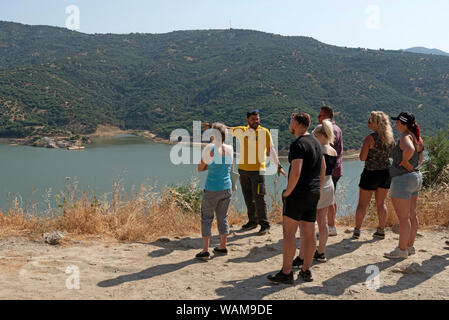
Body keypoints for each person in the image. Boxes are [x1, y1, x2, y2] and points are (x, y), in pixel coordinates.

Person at [204, 109, 286, 236]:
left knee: (259, 198)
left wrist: (278, 166)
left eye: (257, 118)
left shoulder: (265, 132)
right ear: (247, 120)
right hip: (243, 170)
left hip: (258, 171)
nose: (256, 121)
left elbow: (271, 150)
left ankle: (265, 224)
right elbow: (225, 129)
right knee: (248, 197)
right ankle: (252, 221)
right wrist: (211, 126)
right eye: (253, 119)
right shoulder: (242, 130)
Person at [267, 112, 324, 284]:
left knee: (289, 233)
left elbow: (296, 171)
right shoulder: (316, 142)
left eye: (291, 121)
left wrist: (288, 192)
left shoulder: (298, 144)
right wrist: (318, 189)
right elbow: (322, 168)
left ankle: (286, 272)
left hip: (297, 194)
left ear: (298, 124)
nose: (289, 125)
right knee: (309, 233)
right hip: (313, 193)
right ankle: (306, 270)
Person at [384, 112, 424, 259]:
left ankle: (401, 250)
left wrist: (405, 162)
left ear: (404, 124)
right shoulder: (416, 137)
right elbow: (420, 155)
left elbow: (410, 150)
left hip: (402, 179)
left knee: (403, 218)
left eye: (398, 122)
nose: (396, 124)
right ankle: (409, 246)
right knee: (412, 215)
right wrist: (411, 163)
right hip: (415, 177)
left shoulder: (405, 137)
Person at [353, 111, 395, 240]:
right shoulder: (390, 139)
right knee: (381, 203)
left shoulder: (370, 138)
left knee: (362, 204)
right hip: (385, 173)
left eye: (370, 121)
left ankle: (357, 231)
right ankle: (381, 230)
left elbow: (362, 157)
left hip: (370, 173)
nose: (368, 123)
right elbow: (392, 156)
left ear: (376, 123)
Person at [195, 123, 233, 260]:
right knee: (223, 217)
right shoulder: (230, 149)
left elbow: (200, 168)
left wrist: (209, 166)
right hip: (226, 188)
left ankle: (205, 250)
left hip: (212, 188)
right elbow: (225, 167)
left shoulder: (209, 148)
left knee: (207, 218)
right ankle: (223, 246)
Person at [309, 119, 337, 263]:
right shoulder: (333, 150)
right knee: (323, 221)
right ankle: (321, 252)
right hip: (329, 184)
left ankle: (310, 250)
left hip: (318, 185)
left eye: (315, 135)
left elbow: (320, 170)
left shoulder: (318, 150)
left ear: (321, 134)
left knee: (310, 221)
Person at [318, 105, 343, 236]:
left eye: (320, 115)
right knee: (330, 198)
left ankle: (331, 226)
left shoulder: (330, 130)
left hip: (329, 169)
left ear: (327, 116)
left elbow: (327, 150)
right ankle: (330, 225)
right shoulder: (337, 128)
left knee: (329, 199)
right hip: (335, 168)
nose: (318, 118)